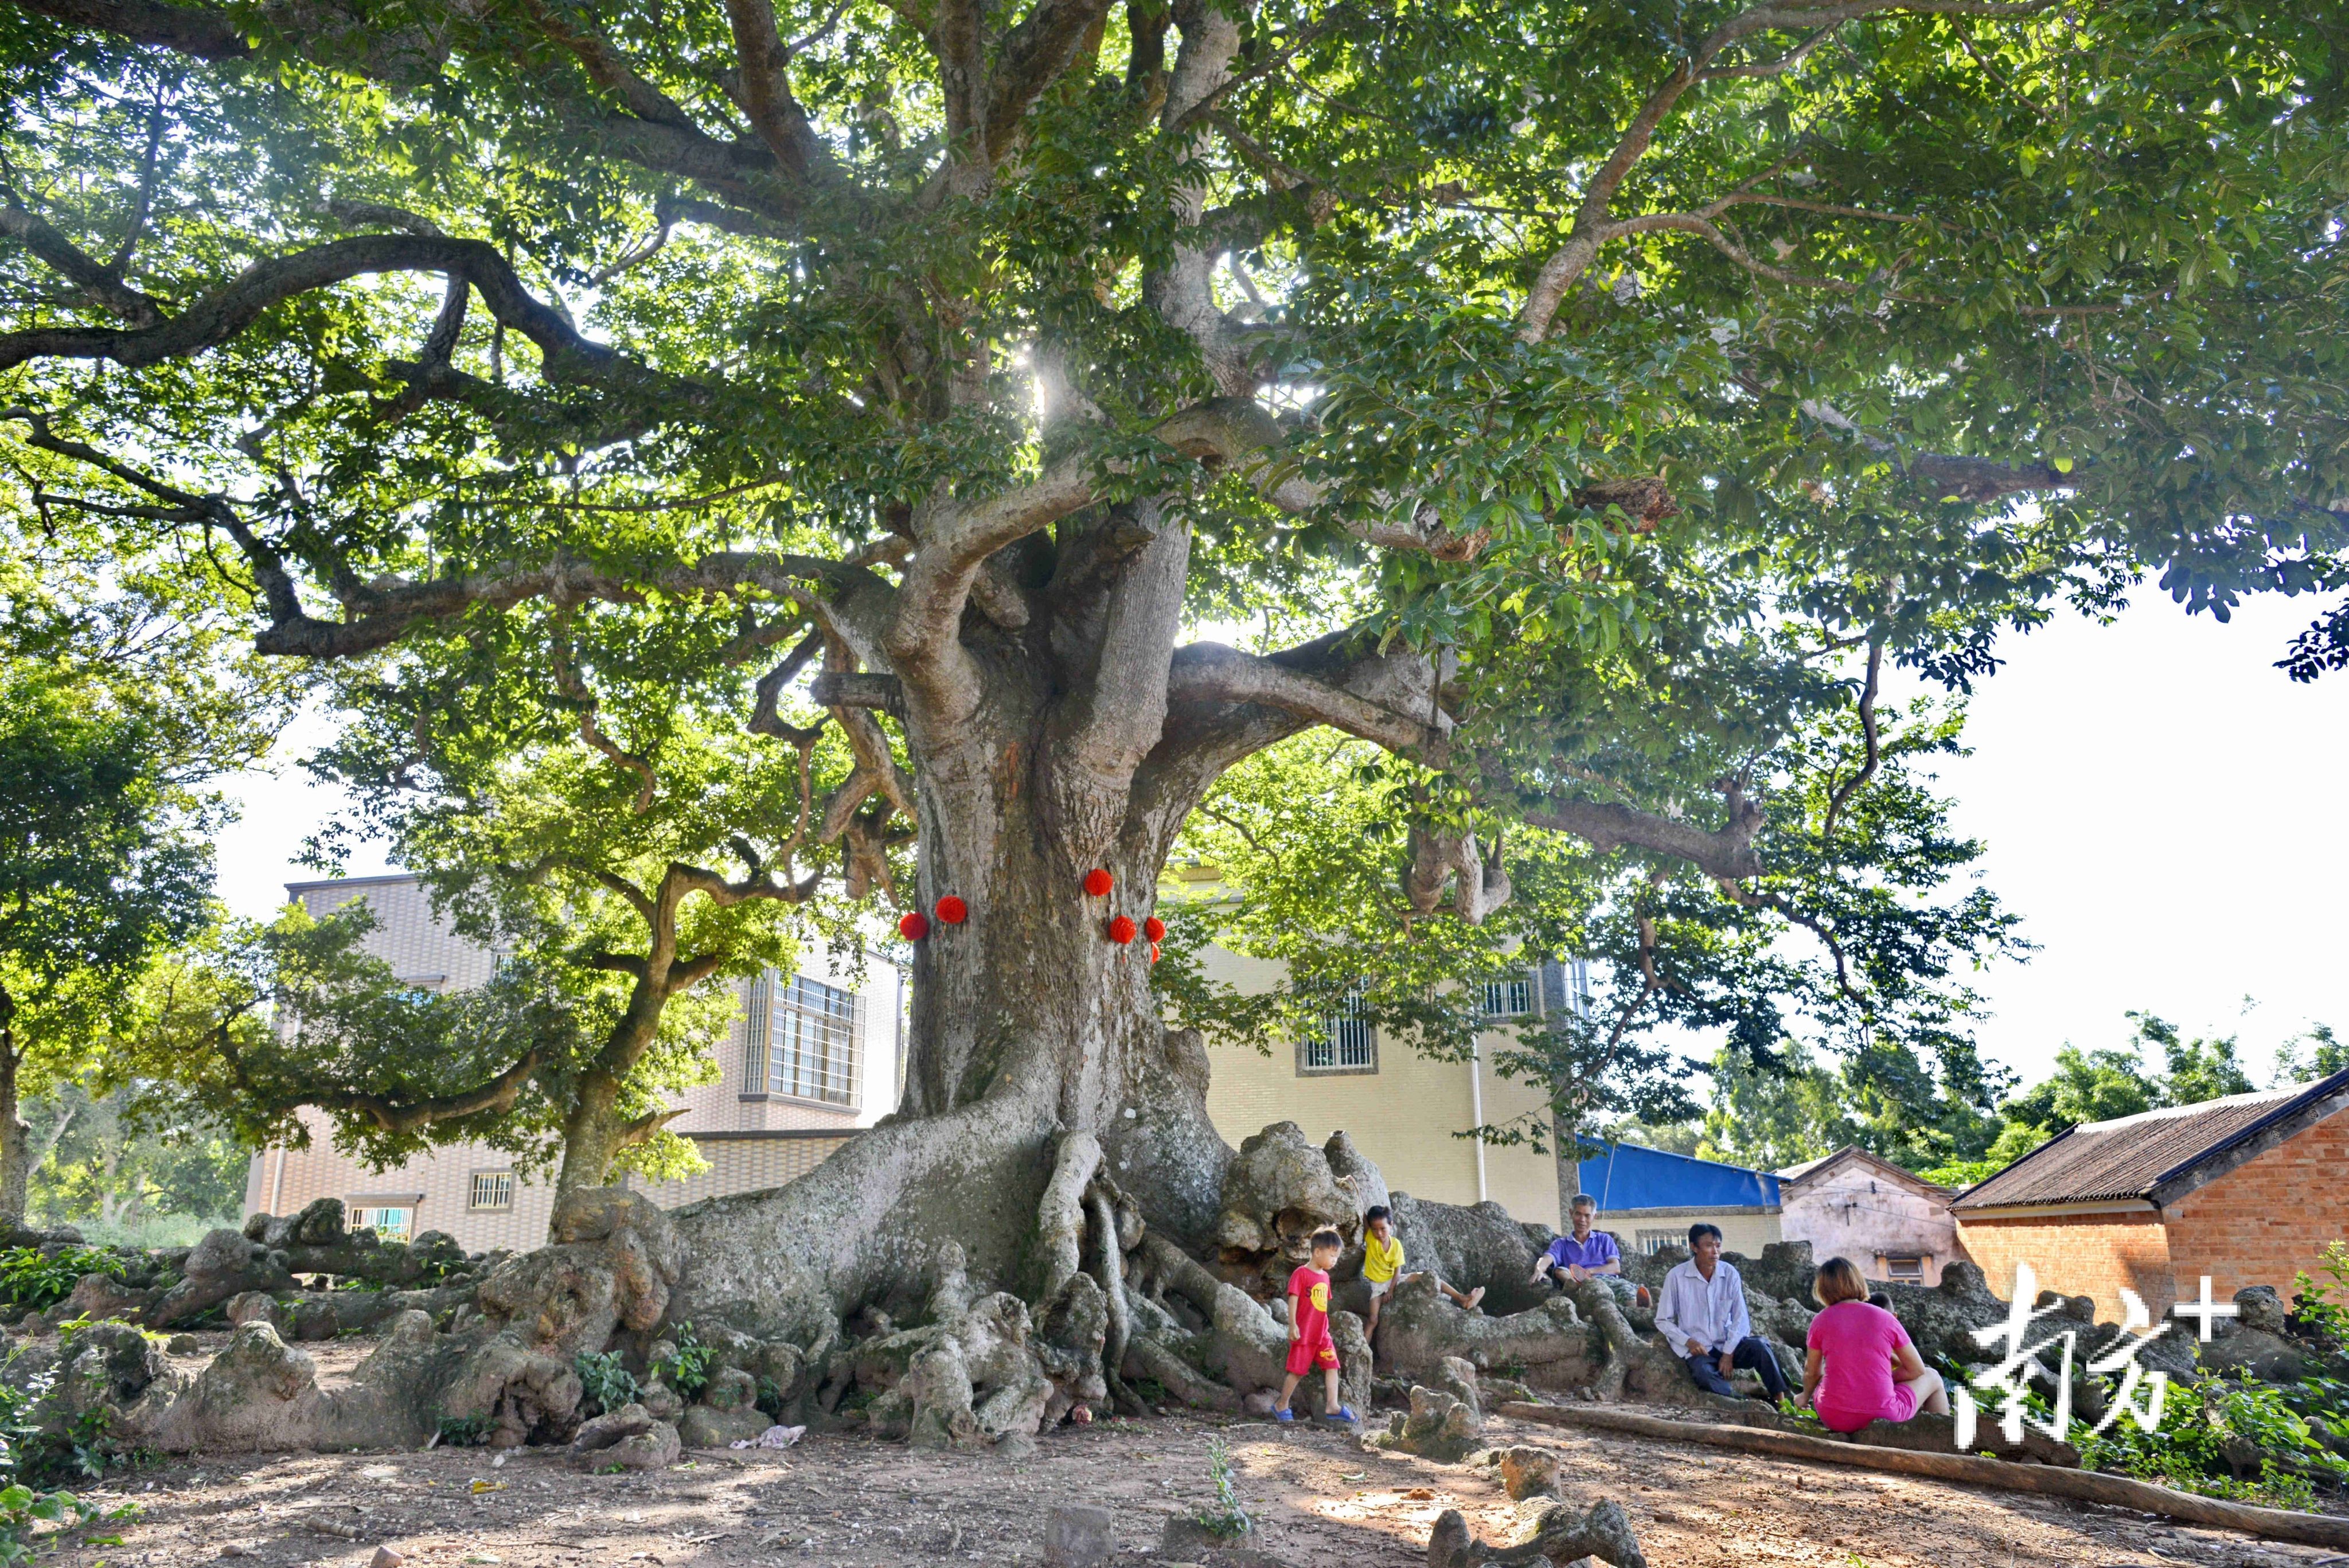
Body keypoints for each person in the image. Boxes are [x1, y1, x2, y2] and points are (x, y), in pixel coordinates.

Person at [1801, 1256, 1949, 1433]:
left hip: (1833, 1416)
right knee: (1933, 1376)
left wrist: (1804, 1397)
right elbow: (1917, 1369)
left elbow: (1813, 1372)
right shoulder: (1885, 1317)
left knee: (1825, 1384)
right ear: (1858, 1282)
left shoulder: (1819, 1321)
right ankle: (1941, 1439)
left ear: (1822, 1290)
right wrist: (1882, 1379)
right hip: (1882, 1414)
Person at [1652, 1223, 1790, 1401]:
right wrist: (1688, 1341)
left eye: (1718, 1246)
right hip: (1700, 1351)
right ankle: (1746, 1402)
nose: (1715, 1252)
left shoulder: (1730, 1273)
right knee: (1703, 1374)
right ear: (1694, 1247)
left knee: (1761, 1347)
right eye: (1709, 1246)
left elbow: (1741, 1318)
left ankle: (1781, 1400)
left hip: (1728, 1344)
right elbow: (1663, 1320)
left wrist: (1728, 1353)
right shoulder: (1676, 1277)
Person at [1361, 1204, 1485, 1345]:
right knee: (1373, 1320)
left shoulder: (1396, 1245)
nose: (1379, 1233)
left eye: (1383, 1229)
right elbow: (1364, 1217)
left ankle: (1462, 1298)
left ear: (1391, 1225)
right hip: (1377, 1286)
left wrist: (1391, 1290)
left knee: (1427, 1276)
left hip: (1393, 1280)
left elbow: (1398, 1270)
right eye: (1375, 1229)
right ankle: (1363, 1351)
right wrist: (1352, 1184)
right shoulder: (1371, 1239)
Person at [1272, 1227, 1359, 1423]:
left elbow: (1323, 1306)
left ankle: (1332, 1405)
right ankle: (1281, 1404)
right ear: (1318, 1252)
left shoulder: (1325, 1277)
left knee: (1332, 1366)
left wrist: (1325, 1330)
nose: (1335, 1261)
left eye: (1337, 1257)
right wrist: (1292, 1325)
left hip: (1322, 1335)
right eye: (1332, 1256)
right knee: (1297, 1371)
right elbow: (1293, 1299)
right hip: (1304, 1333)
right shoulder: (1301, 1274)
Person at [1528, 1194, 1652, 1311]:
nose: (1582, 1220)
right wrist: (1539, 1270)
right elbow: (1546, 1259)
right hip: (1579, 1284)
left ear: (1594, 1217)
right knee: (1559, 1270)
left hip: (1606, 1280)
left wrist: (1590, 1272)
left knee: (1625, 1291)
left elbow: (1615, 1268)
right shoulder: (1561, 1244)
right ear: (1571, 1213)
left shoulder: (1604, 1239)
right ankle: (1576, 1287)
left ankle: (1639, 1310)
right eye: (1578, 1214)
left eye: (1587, 1216)